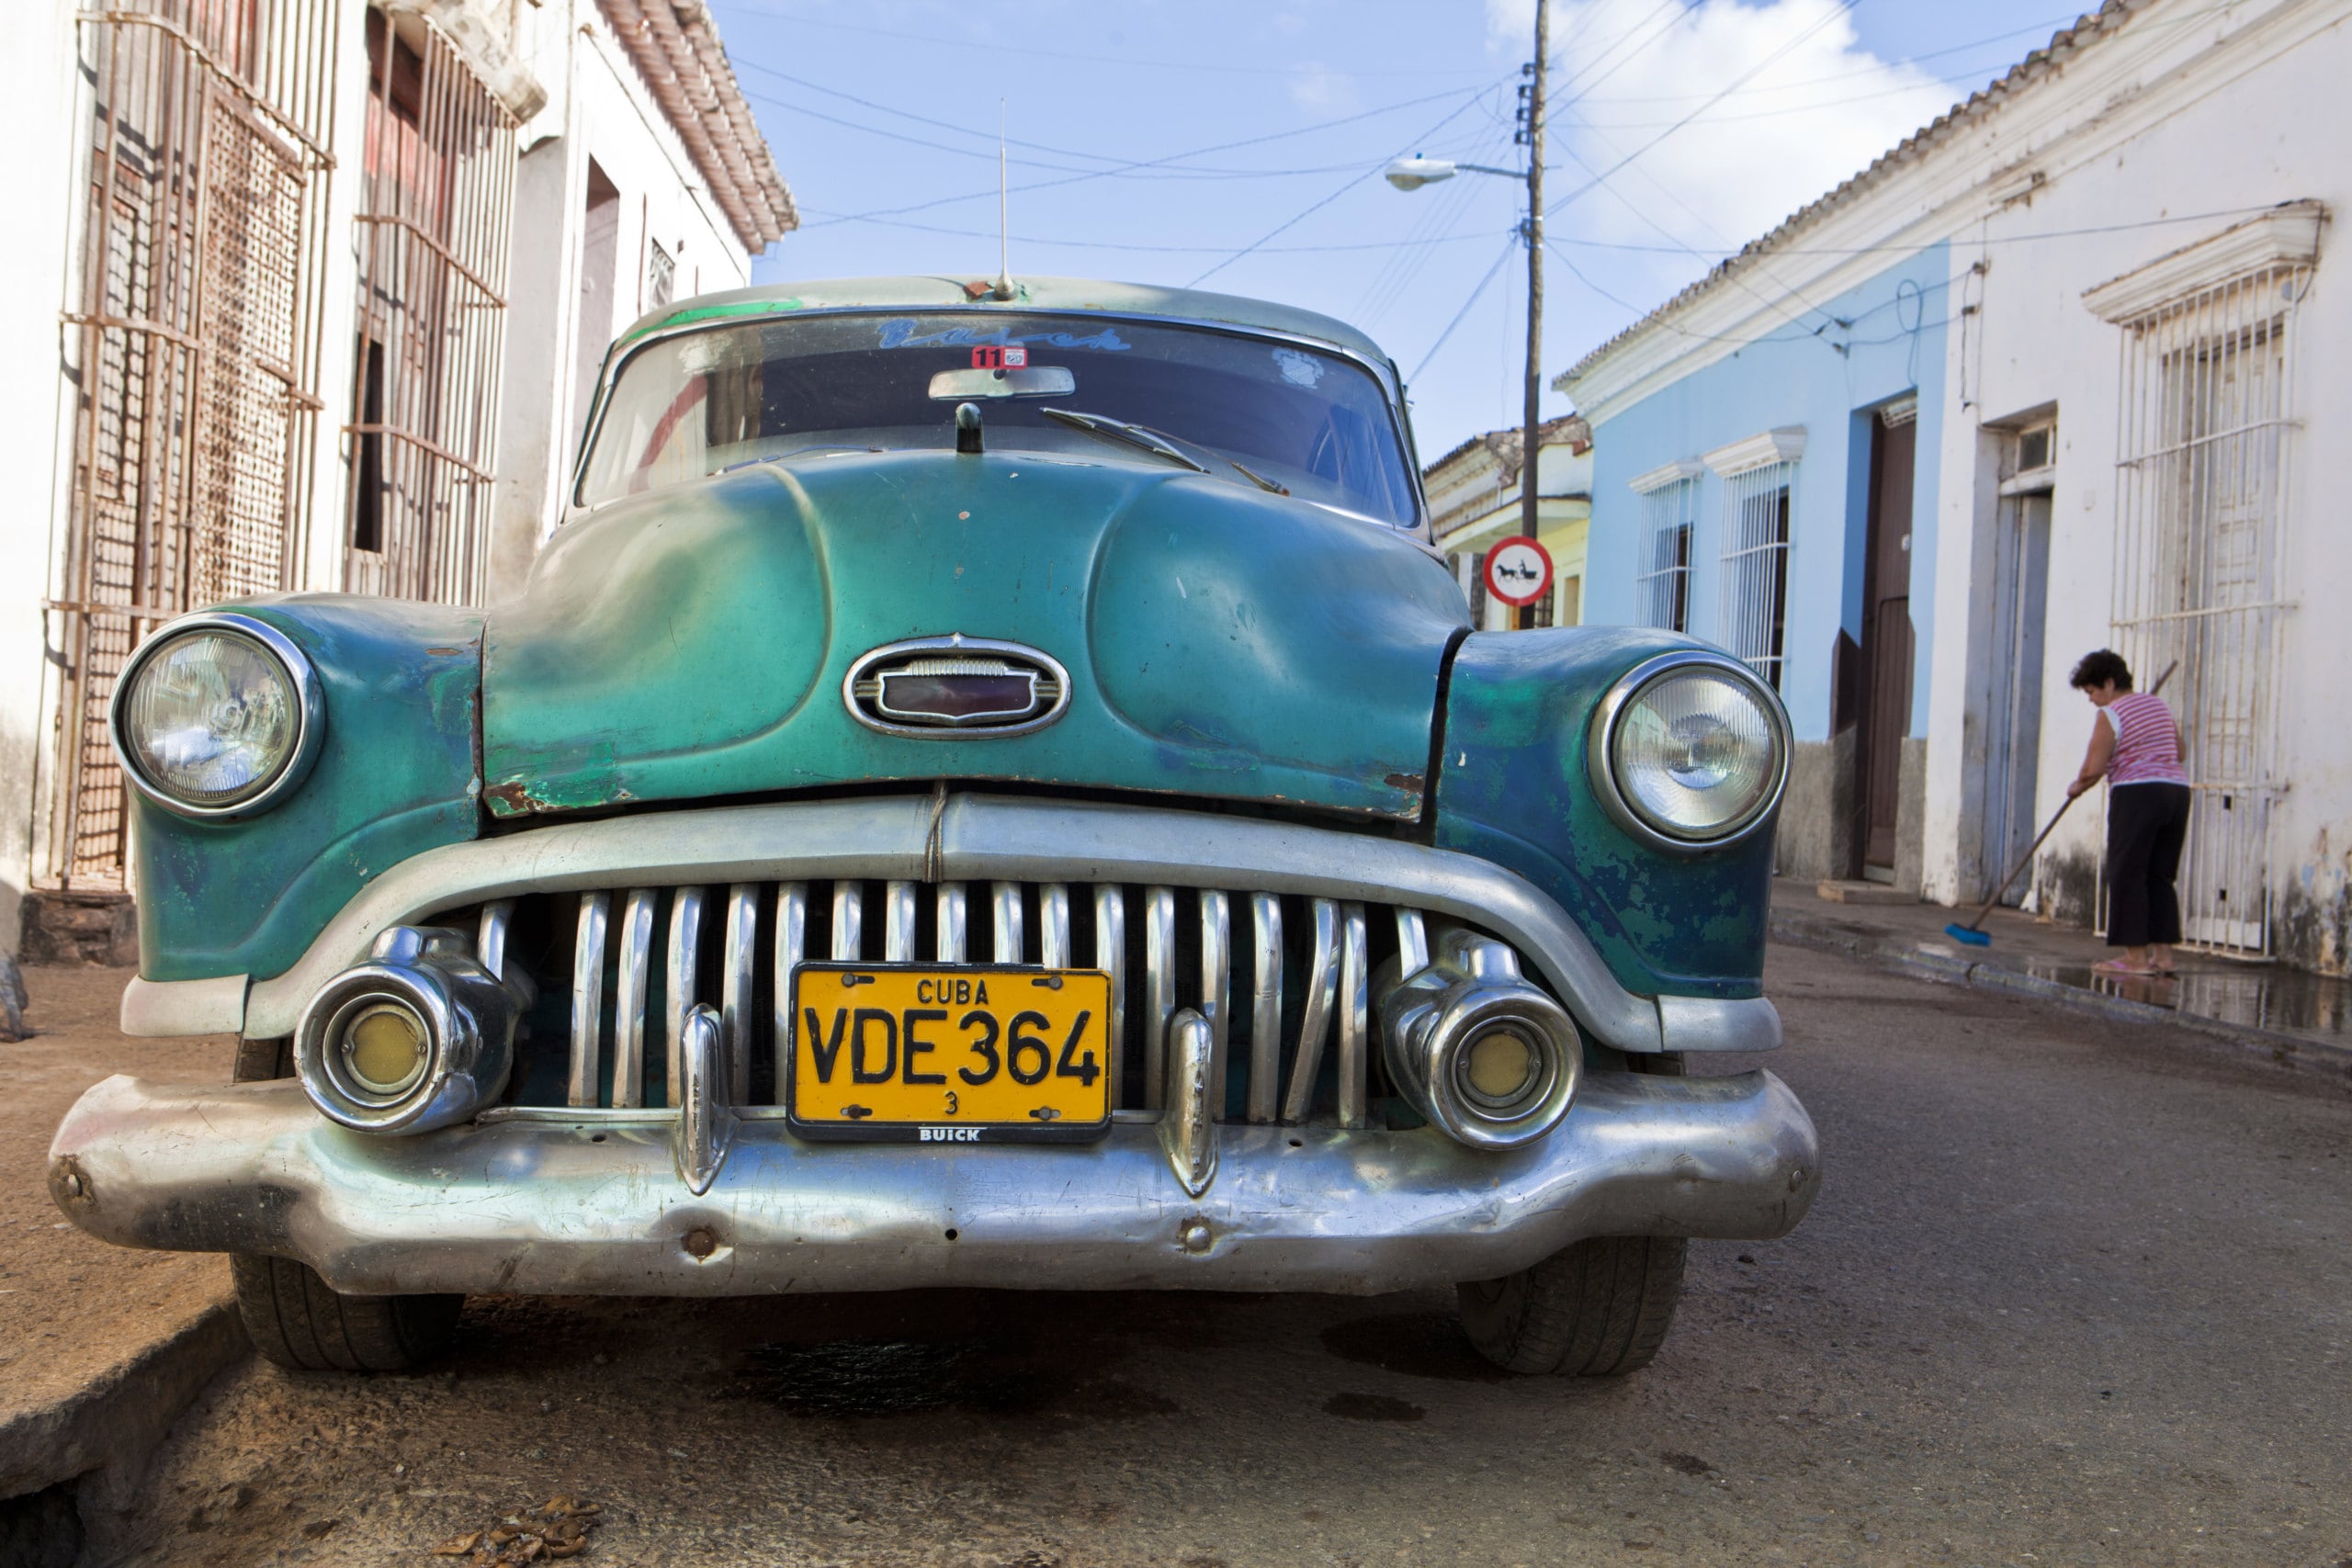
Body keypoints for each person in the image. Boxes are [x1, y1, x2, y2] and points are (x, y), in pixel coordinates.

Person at [2065, 649, 2190, 975]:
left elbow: (2094, 767)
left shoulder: (2112, 713)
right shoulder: (2158, 706)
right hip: (2175, 793)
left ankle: (2135, 959)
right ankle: (2162, 957)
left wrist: (2077, 786)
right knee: (2159, 874)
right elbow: (2179, 752)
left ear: (2108, 683)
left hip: (2138, 793)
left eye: (2092, 691)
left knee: (2128, 872)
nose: (2092, 700)